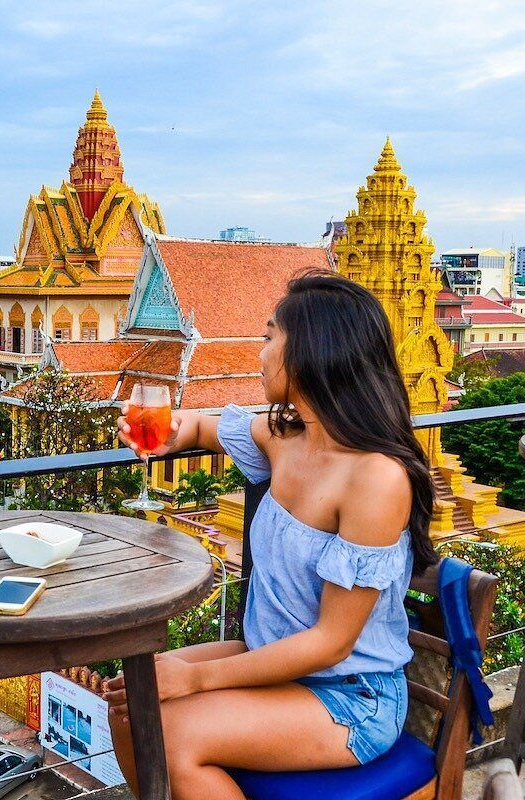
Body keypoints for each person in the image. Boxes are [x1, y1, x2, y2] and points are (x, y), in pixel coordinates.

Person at [104, 273, 439, 798]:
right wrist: (172, 433)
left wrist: (194, 680)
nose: (259, 355)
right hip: (272, 659)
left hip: (350, 695)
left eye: (268, 338)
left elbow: (332, 642)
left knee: (167, 733)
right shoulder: (288, 438)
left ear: (309, 353)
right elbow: (204, 427)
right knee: (129, 700)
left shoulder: (375, 478)